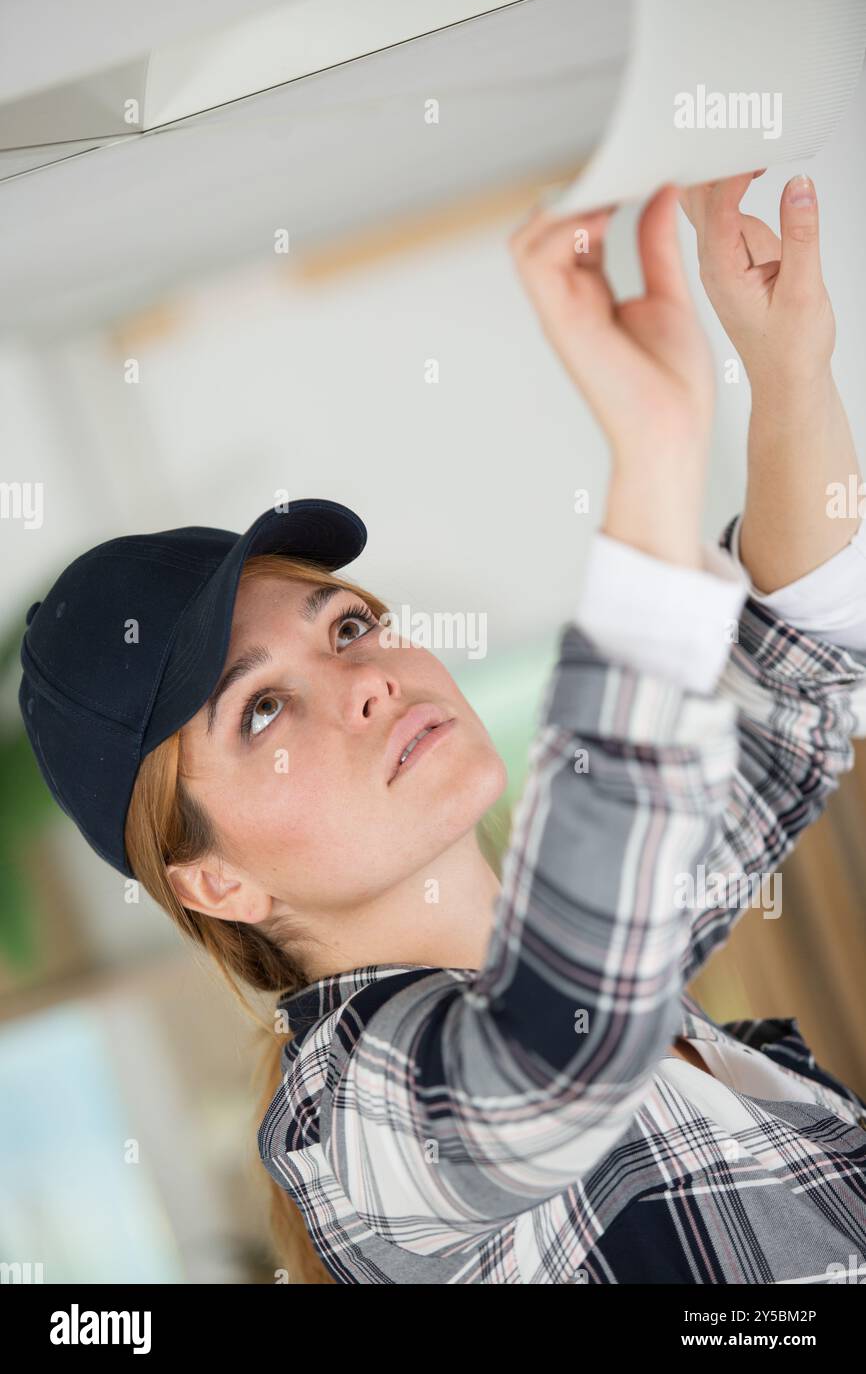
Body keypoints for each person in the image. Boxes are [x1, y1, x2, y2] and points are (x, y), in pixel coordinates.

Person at [18, 174, 866, 1285]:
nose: (364, 681)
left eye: (349, 624)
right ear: (213, 881)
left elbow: (791, 682)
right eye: (259, 706)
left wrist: (785, 367)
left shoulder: (608, 934)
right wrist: (651, 447)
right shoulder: (346, 1124)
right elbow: (557, 1046)